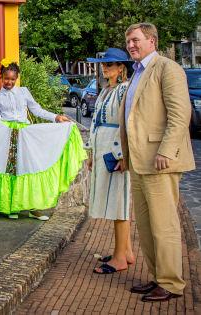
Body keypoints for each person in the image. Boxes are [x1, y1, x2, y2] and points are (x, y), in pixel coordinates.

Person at [121, 22, 195, 302]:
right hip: (139, 162)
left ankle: (172, 283)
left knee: (164, 226)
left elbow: (179, 114)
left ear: (152, 40)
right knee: (146, 226)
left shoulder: (168, 68)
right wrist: (126, 156)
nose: (131, 45)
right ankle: (157, 277)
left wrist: (166, 150)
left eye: (136, 40)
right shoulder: (136, 74)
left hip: (160, 161)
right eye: (129, 41)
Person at [0, 60, 71, 220]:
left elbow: (36, 109)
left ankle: (33, 207)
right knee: (11, 169)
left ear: (17, 78)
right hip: (7, 135)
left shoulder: (24, 92)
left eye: (13, 79)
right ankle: (12, 206)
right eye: (6, 78)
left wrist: (56, 117)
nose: (9, 82)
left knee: (28, 167)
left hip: (25, 134)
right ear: (1, 77)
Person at [83, 48, 135, 274]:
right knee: (114, 201)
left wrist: (124, 155)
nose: (105, 68)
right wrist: (92, 151)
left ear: (121, 67)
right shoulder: (106, 90)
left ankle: (119, 258)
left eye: (110, 65)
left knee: (119, 203)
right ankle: (127, 251)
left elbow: (129, 124)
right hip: (102, 148)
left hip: (115, 152)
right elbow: (96, 123)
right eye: (104, 65)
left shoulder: (125, 91)